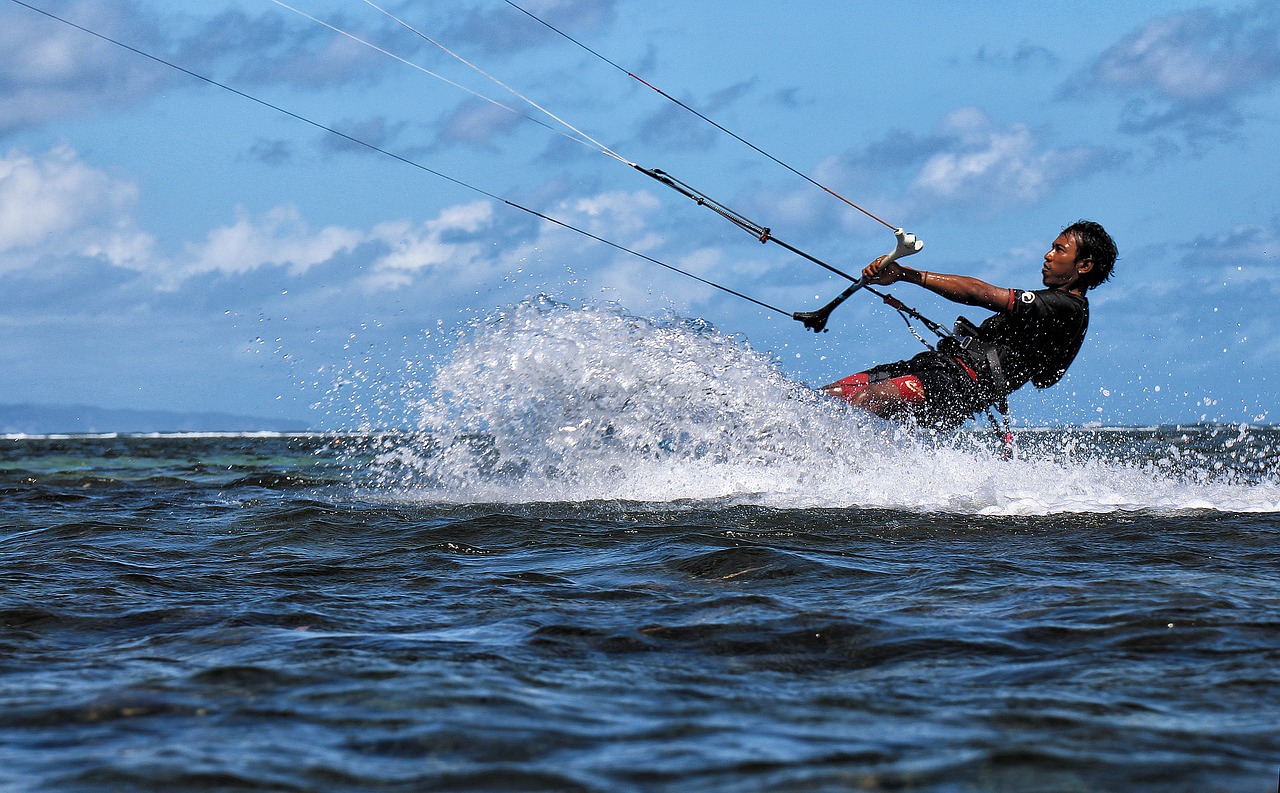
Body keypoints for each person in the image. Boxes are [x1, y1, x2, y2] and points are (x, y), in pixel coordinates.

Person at [820, 220, 1117, 430]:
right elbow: (1045, 379)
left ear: (1084, 265)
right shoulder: (1056, 307)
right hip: (939, 366)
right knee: (830, 396)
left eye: (1059, 250)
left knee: (866, 399)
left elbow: (980, 294)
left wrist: (906, 275)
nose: (1048, 255)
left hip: (960, 388)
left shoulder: (1066, 308)